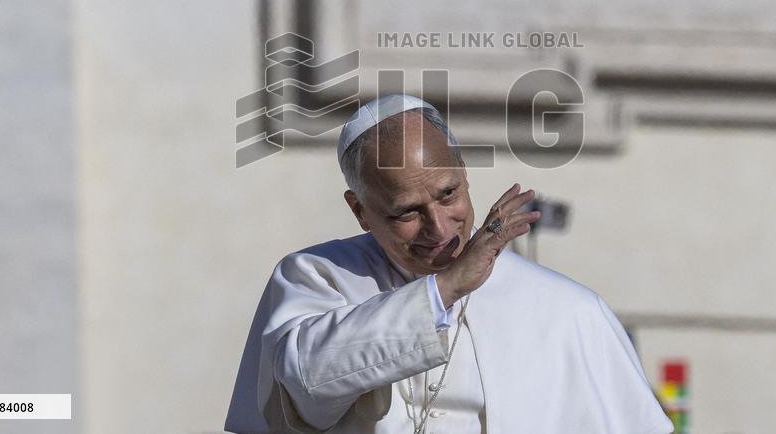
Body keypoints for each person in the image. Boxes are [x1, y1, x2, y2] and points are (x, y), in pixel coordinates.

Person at [225, 94, 673, 433]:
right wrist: (445, 288)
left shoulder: (569, 311)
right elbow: (305, 382)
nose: (439, 229)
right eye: (406, 212)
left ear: (464, 172)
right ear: (360, 210)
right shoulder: (317, 277)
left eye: (448, 195)